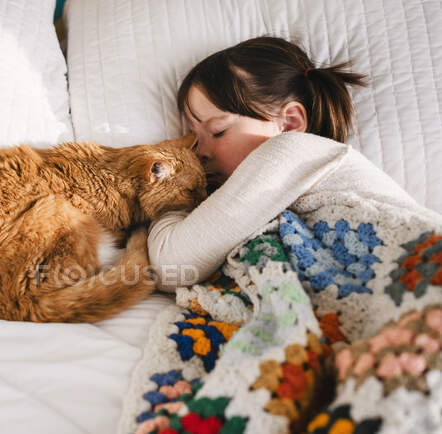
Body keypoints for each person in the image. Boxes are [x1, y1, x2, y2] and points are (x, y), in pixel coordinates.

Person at [139, 36, 442, 434]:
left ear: (290, 122)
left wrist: (170, 192)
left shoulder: (291, 151)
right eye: (192, 137)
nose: (199, 152)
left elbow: (171, 264)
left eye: (217, 131)